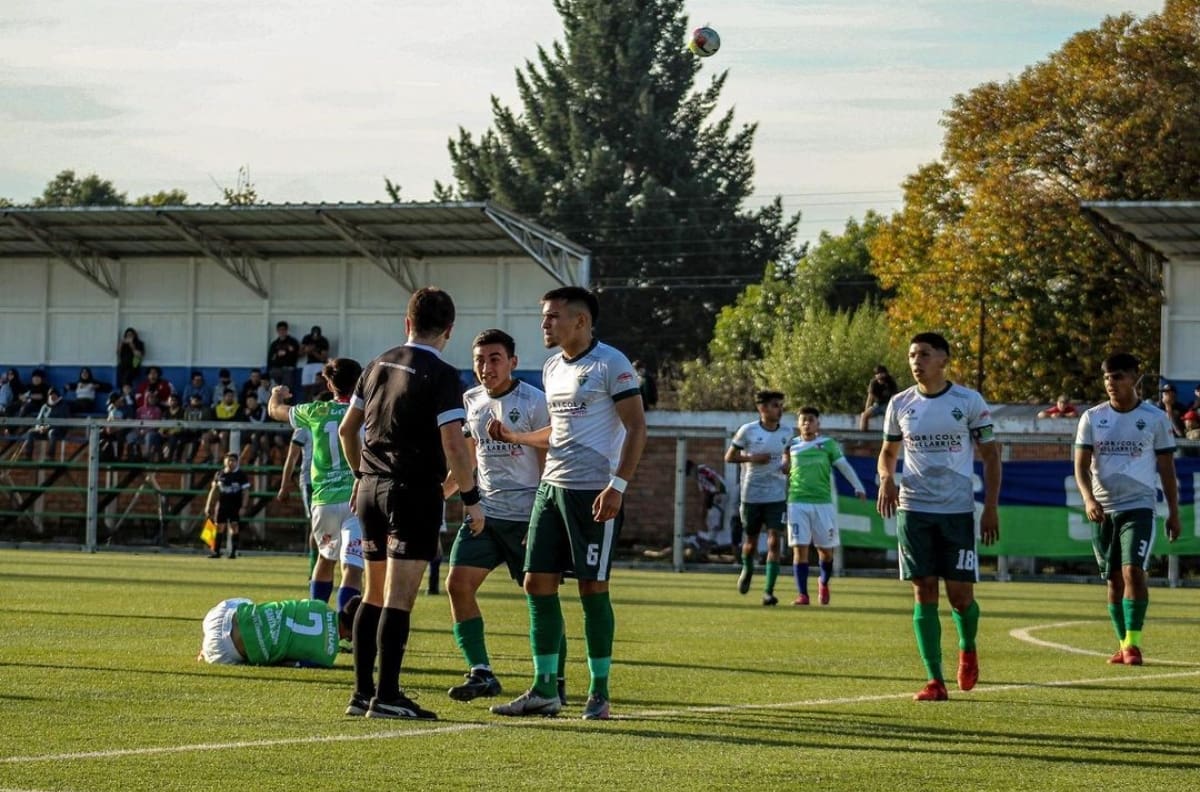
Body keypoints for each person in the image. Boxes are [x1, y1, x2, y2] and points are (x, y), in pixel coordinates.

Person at [486, 286, 647, 721]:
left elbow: (637, 428)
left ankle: (599, 692)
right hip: (551, 490)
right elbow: (557, 432)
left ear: (581, 321)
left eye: (552, 316)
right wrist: (516, 437)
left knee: (592, 587)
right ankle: (545, 689)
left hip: (594, 492)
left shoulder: (611, 363)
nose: (545, 324)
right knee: (535, 582)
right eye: (544, 316)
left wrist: (617, 486)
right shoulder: (553, 366)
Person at [337, 286, 482, 721]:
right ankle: (387, 696)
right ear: (449, 330)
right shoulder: (442, 375)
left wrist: (360, 475)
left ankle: (362, 694)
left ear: (407, 323)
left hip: (370, 489)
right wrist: (471, 498)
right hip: (413, 491)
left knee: (372, 593)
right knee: (399, 597)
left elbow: (347, 430)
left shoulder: (376, 364)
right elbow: (454, 445)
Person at [441, 328, 568, 705]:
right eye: (479, 360)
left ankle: (554, 679)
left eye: (495, 359)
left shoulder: (534, 401)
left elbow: (549, 462)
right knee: (457, 584)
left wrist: (543, 518)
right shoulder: (471, 399)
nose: (486, 367)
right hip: (485, 514)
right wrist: (442, 494)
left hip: (527, 515)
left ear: (513, 362)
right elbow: (466, 458)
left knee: (542, 596)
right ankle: (481, 672)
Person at [876, 332, 1001, 702]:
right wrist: (886, 478)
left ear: (944, 359)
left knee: (960, 596)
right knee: (923, 589)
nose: (917, 361)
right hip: (914, 509)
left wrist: (991, 507)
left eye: (925, 354)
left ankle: (968, 648)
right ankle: (934, 680)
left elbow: (991, 456)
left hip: (957, 511)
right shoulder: (900, 403)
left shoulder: (969, 401)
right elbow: (888, 452)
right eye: (912, 355)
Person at [1073, 352, 1180, 666]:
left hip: (1139, 507)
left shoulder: (1155, 418)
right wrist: (1089, 499)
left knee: (1132, 571)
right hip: (1102, 510)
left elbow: (1167, 469)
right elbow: (1080, 466)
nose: (1111, 383)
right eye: (1107, 377)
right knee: (1113, 581)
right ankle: (1122, 644)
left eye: (1117, 376)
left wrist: (1174, 512)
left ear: (1135, 378)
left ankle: (1133, 645)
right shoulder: (1092, 417)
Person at [268, 358, 365, 618]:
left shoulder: (314, 411)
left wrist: (277, 393)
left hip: (323, 500)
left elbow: (275, 410)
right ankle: (345, 626)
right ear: (360, 381)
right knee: (353, 567)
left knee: (325, 558)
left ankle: (317, 621)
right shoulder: (367, 411)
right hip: (357, 498)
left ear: (329, 384)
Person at [782, 406, 866, 606]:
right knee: (799, 549)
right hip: (797, 502)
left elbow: (844, 466)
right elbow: (784, 465)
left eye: (810, 420)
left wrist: (858, 487)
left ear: (818, 423)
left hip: (822, 504)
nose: (806, 424)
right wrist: (783, 466)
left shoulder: (828, 444)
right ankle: (803, 595)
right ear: (798, 424)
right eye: (803, 420)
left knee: (826, 552)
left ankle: (823, 581)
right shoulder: (791, 445)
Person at [725, 389, 791, 606]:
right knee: (751, 542)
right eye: (775, 405)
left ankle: (768, 592)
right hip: (751, 495)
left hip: (777, 495)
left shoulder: (787, 431)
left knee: (775, 540)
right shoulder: (748, 430)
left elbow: (788, 454)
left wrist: (787, 464)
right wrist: (752, 458)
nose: (779, 410)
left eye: (781, 406)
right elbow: (730, 457)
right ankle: (747, 568)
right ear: (762, 408)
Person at [198, 596, 358, 667]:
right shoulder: (326, 657)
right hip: (223, 650)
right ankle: (206, 652)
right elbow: (288, 663)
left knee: (248, 603)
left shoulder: (319, 605)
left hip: (219, 616)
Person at [204, 452, 250, 559]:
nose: (230, 462)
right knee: (218, 526)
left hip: (235, 504)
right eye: (228, 460)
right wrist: (208, 505)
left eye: (233, 460)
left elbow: (246, 492)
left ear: (237, 462)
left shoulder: (241, 475)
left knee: (234, 526)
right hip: (222, 504)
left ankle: (233, 552)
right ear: (225, 461)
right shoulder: (220, 474)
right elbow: (213, 490)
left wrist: (244, 506)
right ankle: (216, 551)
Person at [18, 388, 69, 460]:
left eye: (54, 395)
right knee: (30, 433)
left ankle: (50, 457)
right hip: (43, 430)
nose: (52, 397)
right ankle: (28, 456)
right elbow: (38, 420)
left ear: (57, 396)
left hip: (58, 431)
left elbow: (63, 422)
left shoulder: (63, 406)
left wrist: (48, 428)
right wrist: (39, 428)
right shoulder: (45, 406)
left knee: (52, 432)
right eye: (50, 395)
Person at [859, 364, 899, 432]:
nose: (880, 375)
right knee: (864, 415)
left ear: (885, 374)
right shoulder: (873, 383)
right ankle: (863, 433)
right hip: (877, 405)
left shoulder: (891, 382)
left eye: (881, 373)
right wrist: (867, 409)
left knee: (893, 417)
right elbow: (870, 398)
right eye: (878, 374)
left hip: (888, 405)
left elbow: (895, 397)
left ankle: (893, 434)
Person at [300, 325, 331, 399]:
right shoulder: (307, 338)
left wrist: (313, 351)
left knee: (317, 384)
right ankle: (306, 400)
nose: (315, 337)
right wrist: (306, 350)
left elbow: (323, 358)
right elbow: (300, 353)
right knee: (306, 384)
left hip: (319, 364)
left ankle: (316, 399)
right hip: (308, 364)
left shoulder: (323, 341)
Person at [267, 321, 301, 388]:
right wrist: (277, 354)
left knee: (286, 386)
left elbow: (297, 354)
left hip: (288, 368)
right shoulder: (274, 344)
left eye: (283, 329)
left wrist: (286, 353)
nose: (282, 331)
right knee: (274, 385)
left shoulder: (292, 342)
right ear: (277, 331)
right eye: (280, 330)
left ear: (286, 330)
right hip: (276, 368)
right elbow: (270, 358)